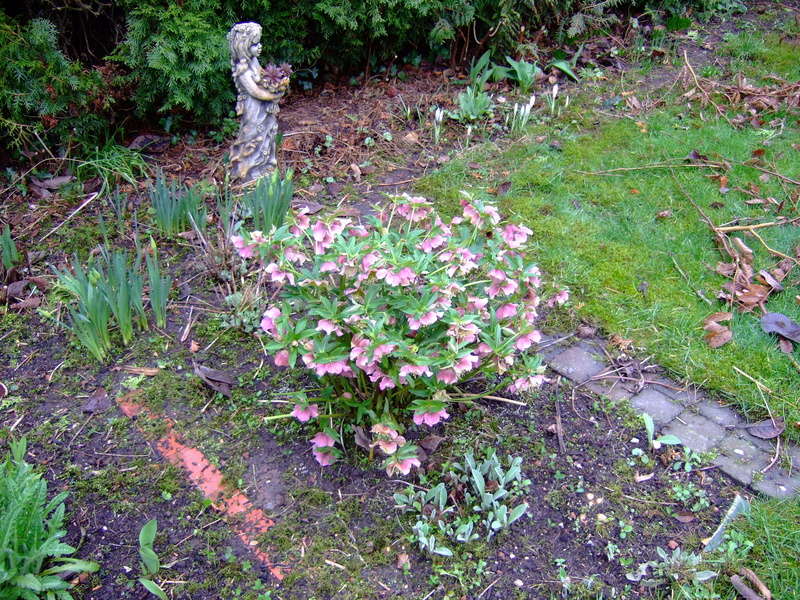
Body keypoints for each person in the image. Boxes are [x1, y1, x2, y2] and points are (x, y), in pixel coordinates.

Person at [227, 22, 289, 183]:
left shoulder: (254, 62)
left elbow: (263, 77)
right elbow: (254, 91)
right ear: (243, 46)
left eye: (259, 42)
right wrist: (272, 96)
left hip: (264, 109)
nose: (260, 46)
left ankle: (265, 167)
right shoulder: (243, 69)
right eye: (255, 44)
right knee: (253, 136)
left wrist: (278, 81)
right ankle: (249, 172)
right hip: (254, 109)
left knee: (267, 135)